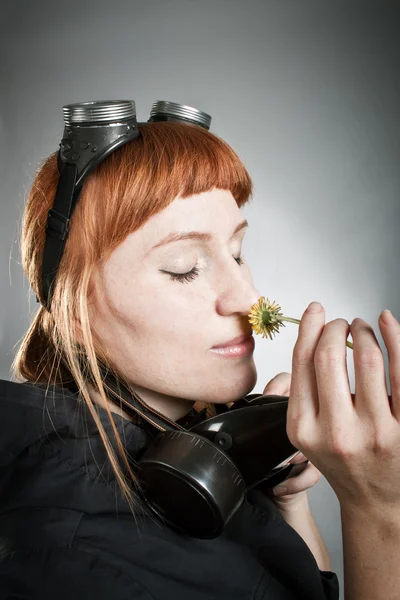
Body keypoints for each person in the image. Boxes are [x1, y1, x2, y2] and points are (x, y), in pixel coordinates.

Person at [0, 101, 398, 600]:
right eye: (184, 266)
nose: (248, 298)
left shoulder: (175, 445)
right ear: (76, 313)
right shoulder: (79, 561)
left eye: (236, 254)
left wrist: (283, 501)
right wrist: (380, 511)